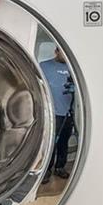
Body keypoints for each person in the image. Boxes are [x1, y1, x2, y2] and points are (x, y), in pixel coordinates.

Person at [39, 45, 76, 177]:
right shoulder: (44, 66)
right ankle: (46, 170)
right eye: (62, 52)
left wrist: (74, 89)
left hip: (68, 112)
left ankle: (60, 167)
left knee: (63, 142)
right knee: (50, 143)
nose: (65, 55)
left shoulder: (73, 68)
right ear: (56, 51)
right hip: (51, 113)